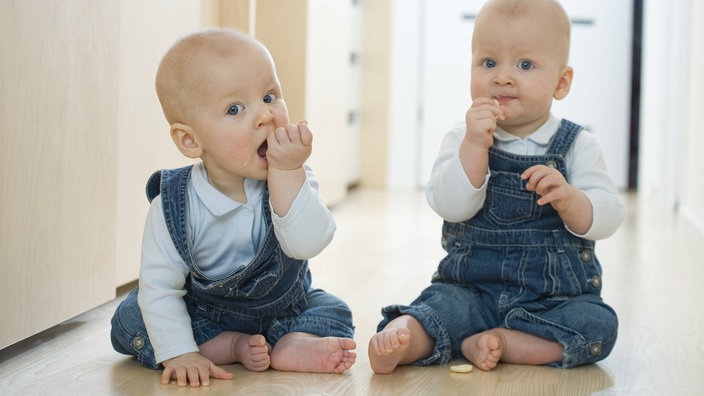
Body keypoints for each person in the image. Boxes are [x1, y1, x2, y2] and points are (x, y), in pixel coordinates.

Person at [368, 0, 625, 374]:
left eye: (524, 65)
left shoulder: (578, 145)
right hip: (471, 291)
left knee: (598, 324)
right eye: (488, 63)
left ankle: (507, 343)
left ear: (561, 82)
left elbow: (610, 214)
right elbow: (449, 205)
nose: (503, 77)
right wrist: (474, 147)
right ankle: (402, 339)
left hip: (552, 301)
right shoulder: (463, 136)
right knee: (439, 307)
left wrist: (572, 200)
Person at [110, 29, 356, 387]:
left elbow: (308, 244)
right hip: (206, 314)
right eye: (235, 109)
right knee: (132, 316)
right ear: (191, 140)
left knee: (334, 310)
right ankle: (219, 346)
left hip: (285, 310)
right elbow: (160, 288)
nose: (265, 116)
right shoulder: (173, 206)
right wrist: (179, 352)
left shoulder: (292, 175)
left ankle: (293, 342)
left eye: (270, 96)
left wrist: (288, 174)